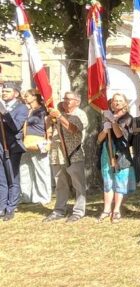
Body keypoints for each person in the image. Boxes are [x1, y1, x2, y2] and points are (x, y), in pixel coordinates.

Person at [46, 92, 89, 222]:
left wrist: (60, 117)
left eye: (69, 99)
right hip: (57, 153)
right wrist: (50, 120)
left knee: (78, 184)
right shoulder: (59, 113)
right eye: (64, 99)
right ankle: (59, 210)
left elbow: (74, 129)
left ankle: (78, 211)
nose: (65, 101)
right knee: (60, 183)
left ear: (77, 101)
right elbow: (49, 128)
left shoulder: (80, 114)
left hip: (73, 153)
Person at [96, 92, 134, 222]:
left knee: (119, 181)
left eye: (119, 100)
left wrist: (113, 121)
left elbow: (119, 135)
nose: (116, 102)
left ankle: (116, 209)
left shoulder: (127, 118)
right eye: (114, 100)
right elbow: (99, 139)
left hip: (120, 153)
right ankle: (107, 209)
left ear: (125, 103)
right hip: (106, 152)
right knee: (108, 181)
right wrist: (105, 130)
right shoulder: (107, 118)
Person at [0, 82, 28, 221]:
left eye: (7, 91)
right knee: (1, 179)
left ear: (16, 93)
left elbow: (16, 126)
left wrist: (4, 113)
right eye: (3, 91)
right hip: (0, 146)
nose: (4, 93)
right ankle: (1, 207)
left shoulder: (21, 108)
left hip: (11, 147)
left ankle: (11, 207)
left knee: (12, 179)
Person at [19, 90, 51, 205]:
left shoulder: (43, 111)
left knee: (41, 170)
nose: (24, 98)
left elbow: (48, 127)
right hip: (25, 141)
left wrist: (48, 140)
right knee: (25, 169)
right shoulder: (27, 110)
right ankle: (26, 196)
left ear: (34, 96)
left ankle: (43, 197)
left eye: (27, 96)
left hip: (39, 141)